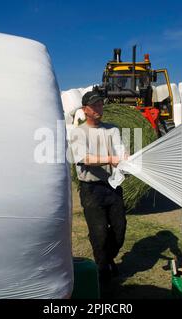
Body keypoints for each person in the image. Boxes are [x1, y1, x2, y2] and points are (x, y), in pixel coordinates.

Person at [69, 90, 128, 284]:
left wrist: (125, 157)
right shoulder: (78, 133)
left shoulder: (113, 129)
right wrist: (111, 159)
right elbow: (83, 158)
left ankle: (107, 257)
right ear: (85, 109)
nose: (99, 108)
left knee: (119, 231)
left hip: (112, 187)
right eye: (94, 105)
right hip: (91, 190)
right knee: (99, 231)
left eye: (101, 104)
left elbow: (120, 150)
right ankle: (102, 269)